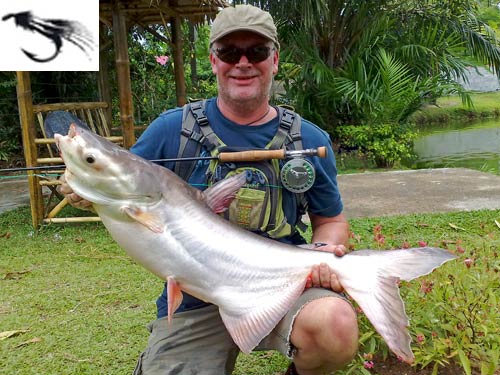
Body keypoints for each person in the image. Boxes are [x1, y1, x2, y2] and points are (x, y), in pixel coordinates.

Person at [59, 4, 358, 375]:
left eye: (257, 52)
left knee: (336, 325)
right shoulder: (170, 130)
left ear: (275, 60)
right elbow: (123, 177)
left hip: (281, 284)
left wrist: (326, 252)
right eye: (231, 52)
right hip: (196, 300)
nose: (243, 62)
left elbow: (330, 219)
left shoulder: (308, 140)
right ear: (214, 60)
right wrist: (81, 186)